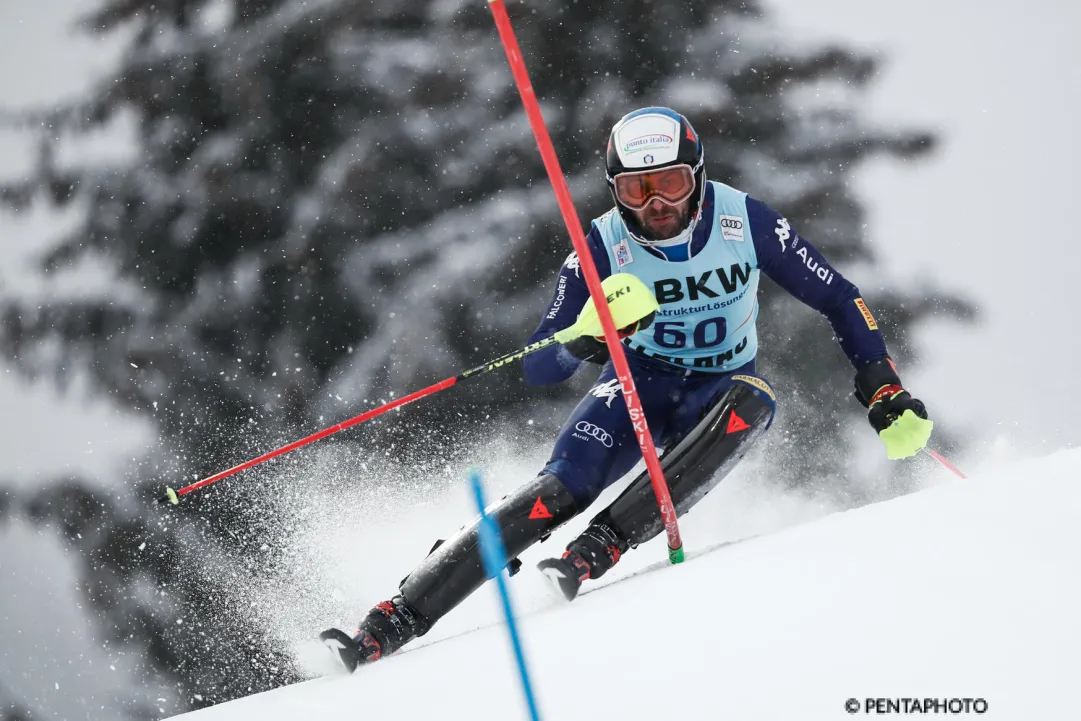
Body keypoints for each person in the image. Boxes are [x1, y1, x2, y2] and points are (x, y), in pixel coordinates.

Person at [320, 107, 933, 671]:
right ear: (615, 189)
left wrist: (880, 384)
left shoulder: (743, 220)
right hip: (638, 383)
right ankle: (391, 620)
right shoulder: (603, 242)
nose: (656, 204)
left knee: (757, 401)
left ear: (697, 175)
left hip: (718, 388)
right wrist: (581, 339)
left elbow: (838, 295)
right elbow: (540, 363)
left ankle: (602, 545)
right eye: (635, 189)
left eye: (670, 183)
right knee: (561, 488)